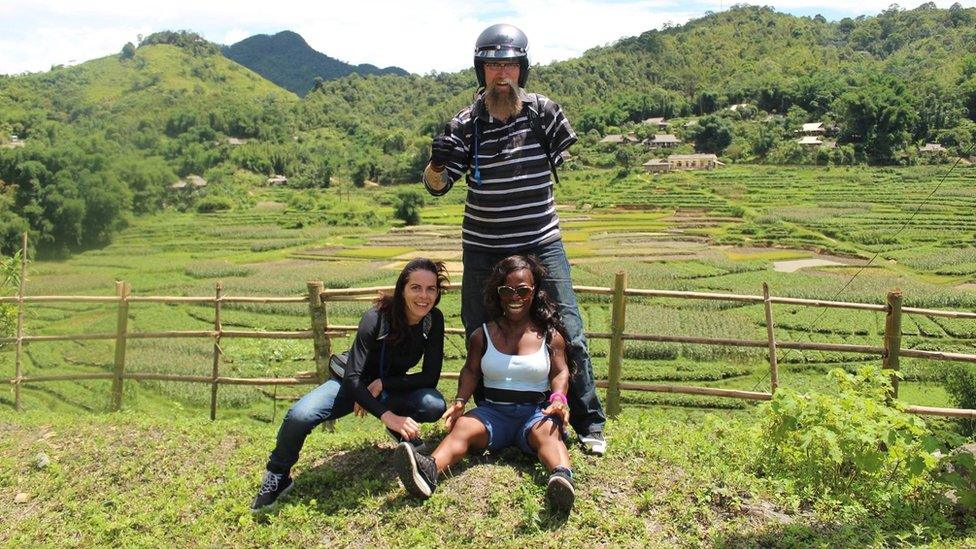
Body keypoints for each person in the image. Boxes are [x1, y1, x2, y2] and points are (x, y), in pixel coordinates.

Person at [421, 23, 607, 455]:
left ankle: (588, 422)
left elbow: (567, 154)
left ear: (522, 69)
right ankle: (487, 419)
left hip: (541, 240)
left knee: (569, 330)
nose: (501, 74)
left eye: (509, 64)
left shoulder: (544, 113)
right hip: (485, 246)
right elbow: (436, 186)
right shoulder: (465, 124)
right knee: (479, 331)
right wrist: (435, 162)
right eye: (492, 65)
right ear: (480, 70)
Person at [251, 258, 450, 511]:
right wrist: (388, 416)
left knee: (433, 404)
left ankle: (397, 428)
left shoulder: (433, 320)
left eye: (430, 288)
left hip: (385, 386)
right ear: (402, 289)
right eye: (415, 287)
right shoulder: (376, 317)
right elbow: (352, 378)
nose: (424, 296)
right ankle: (277, 476)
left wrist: (382, 383)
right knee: (300, 415)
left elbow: (429, 377)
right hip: (348, 383)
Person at [394, 255, 577, 512]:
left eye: (523, 290)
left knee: (549, 435)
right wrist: (459, 401)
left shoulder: (550, 335)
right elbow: (471, 371)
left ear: (534, 292)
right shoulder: (483, 334)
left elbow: (560, 372)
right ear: (498, 293)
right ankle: (428, 471)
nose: (515, 297)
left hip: (536, 412)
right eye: (507, 290)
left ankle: (561, 478)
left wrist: (558, 399)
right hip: (493, 412)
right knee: (464, 427)